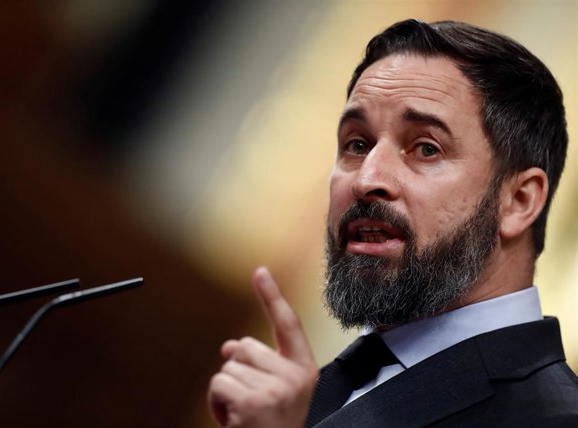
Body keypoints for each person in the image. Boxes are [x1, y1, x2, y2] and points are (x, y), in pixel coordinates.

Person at [207, 19, 578, 427]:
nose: (368, 180)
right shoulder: (340, 378)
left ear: (519, 201)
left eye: (425, 148)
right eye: (357, 144)